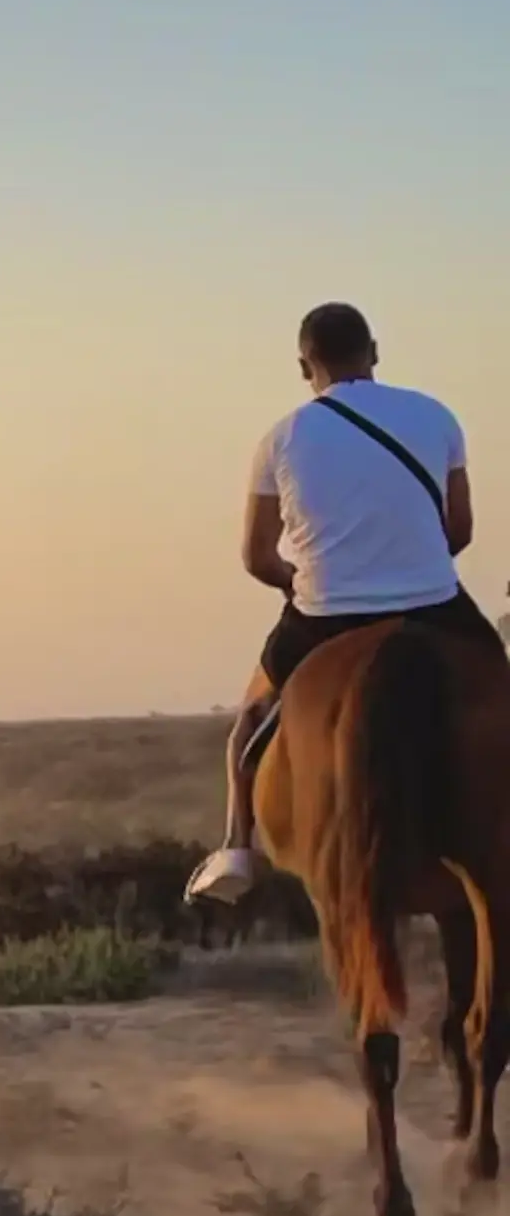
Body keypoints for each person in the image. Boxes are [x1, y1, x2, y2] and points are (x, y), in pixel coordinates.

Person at [188, 301, 497, 903]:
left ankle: (236, 848)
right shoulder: (436, 416)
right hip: (432, 601)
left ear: (305, 366)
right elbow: (458, 530)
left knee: (249, 724)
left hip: (327, 613)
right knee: (497, 684)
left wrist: (295, 581)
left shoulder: (281, 438)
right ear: (375, 352)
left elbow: (256, 556)